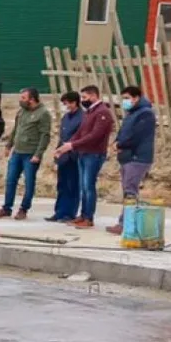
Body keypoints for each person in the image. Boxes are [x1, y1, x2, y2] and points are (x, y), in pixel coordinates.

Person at [54, 84, 115, 229]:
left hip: (94, 154)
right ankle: (83, 215)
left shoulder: (102, 112)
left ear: (94, 96)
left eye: (85, 97)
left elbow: (95, 136)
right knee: (83, 186)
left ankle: (88, 218)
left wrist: (72, 145)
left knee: (88, 186)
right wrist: (66, 146)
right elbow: (81, 132)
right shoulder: (90, 112)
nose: (82, 100)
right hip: (83, 153)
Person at [0, 87, 51, 220]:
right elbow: (16, 129)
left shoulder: (43, 114)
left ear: (32, 99)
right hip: (17, 152)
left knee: (29, 182)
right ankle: (6, 208)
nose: (21, 100)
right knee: (10, 180)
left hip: (30, 154)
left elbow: (45, 135)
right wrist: (9, 145)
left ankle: (24, 209)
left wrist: (38, 154)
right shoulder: (21, 112)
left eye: (23, 98)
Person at [108, 84, 157, 236]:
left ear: (136, 98)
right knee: (128, 191)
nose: (125, 102)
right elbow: (123, 132)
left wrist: (121, 144)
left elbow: (137, 136)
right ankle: (125, 222)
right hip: (127, 157)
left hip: (137, 157)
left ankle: (127, 224)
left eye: (127, 98)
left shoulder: (145, 114)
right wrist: (116, 142)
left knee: (130, 191)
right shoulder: (132, 113)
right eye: (123, 99)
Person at [47, 92, 84, 223]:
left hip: (74, 156)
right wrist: (57, 153)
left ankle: (69, 213)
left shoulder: (82, 117)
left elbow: (80, 137)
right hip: (63, 156)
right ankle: (59, 212)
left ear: (74, 102)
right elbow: (62, 137)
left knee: (72, 185)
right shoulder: (66, 117)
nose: (65, 106)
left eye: (67, 103)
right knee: (62, 185)